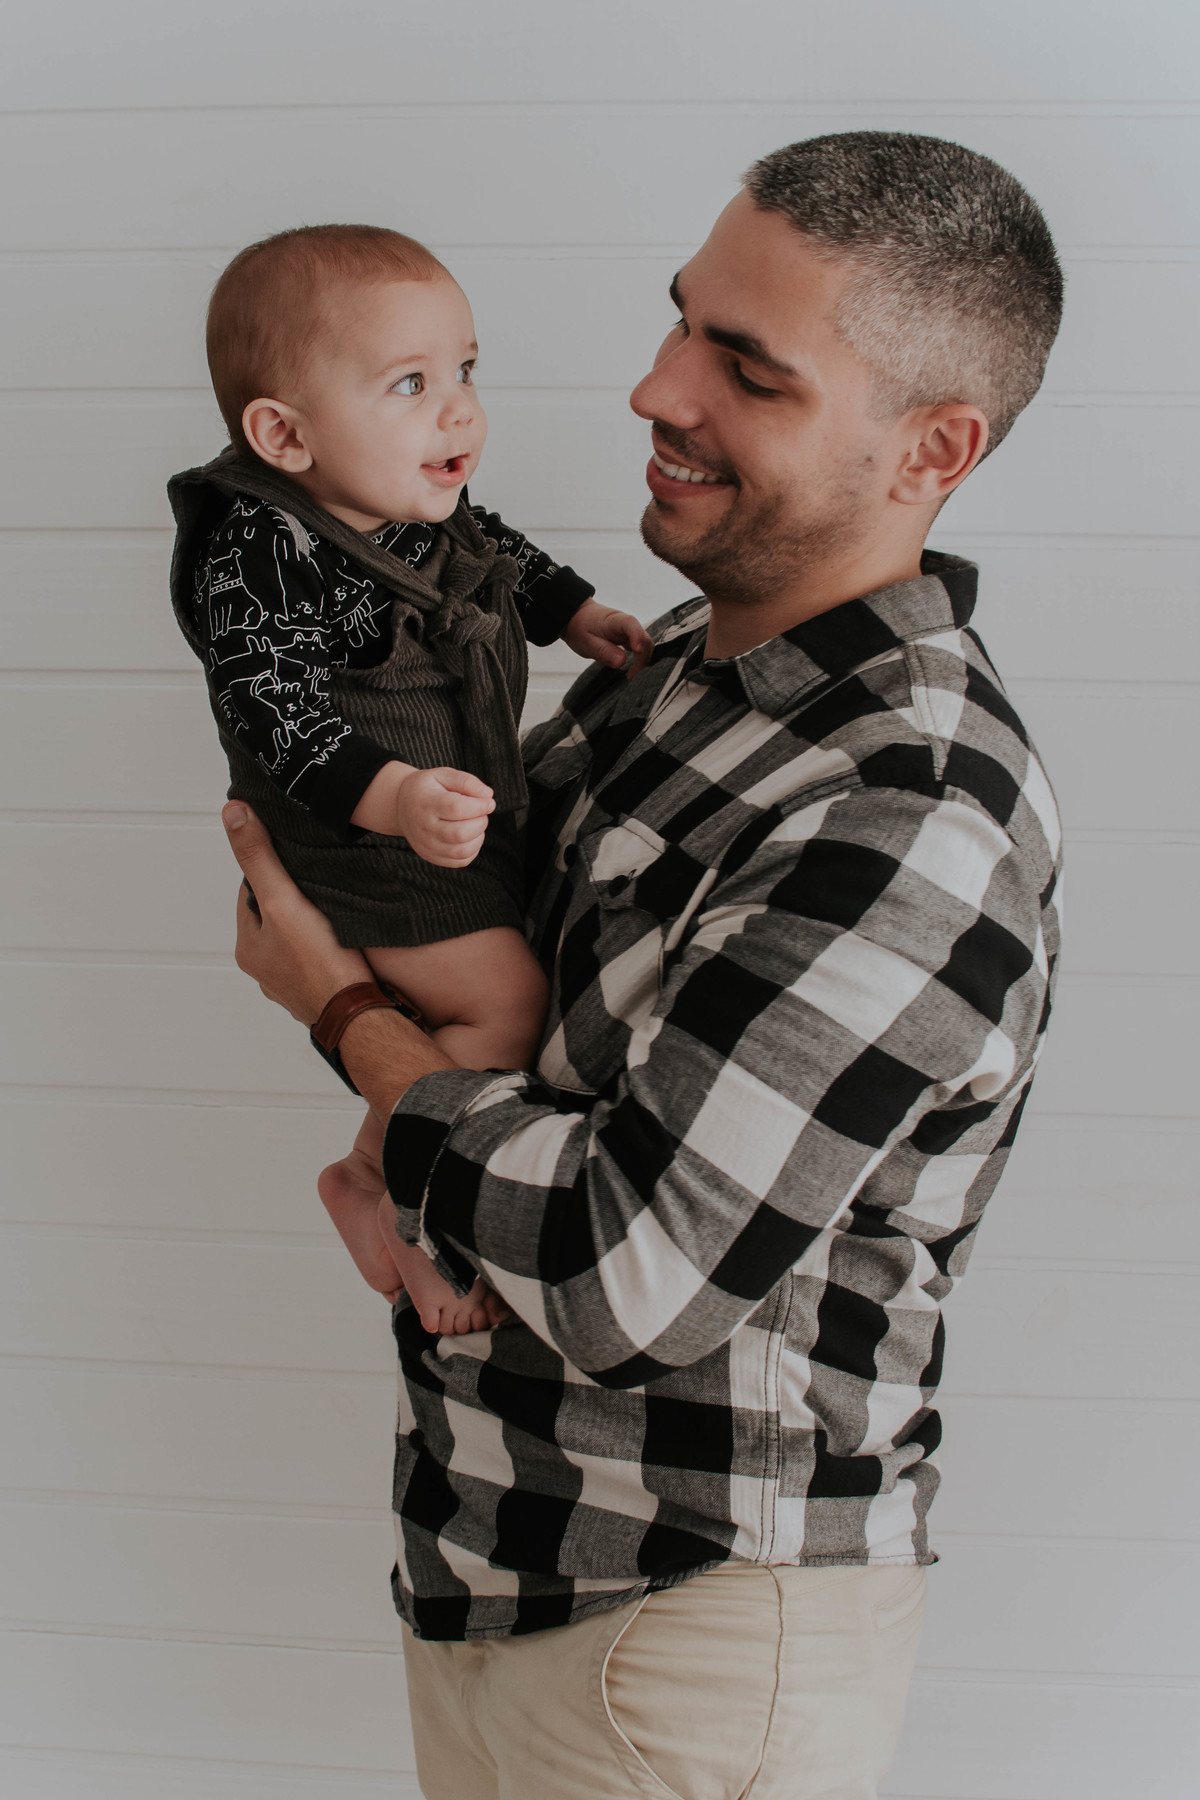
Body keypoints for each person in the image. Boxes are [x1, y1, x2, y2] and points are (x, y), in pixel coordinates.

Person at [222, 132, 1064, 1799]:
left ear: (934, 447)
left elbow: (629, 1274)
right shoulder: (671, 668)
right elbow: (471, 960)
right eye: (682, 320)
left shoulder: (907, 814)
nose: (655, 389)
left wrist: (344, 1013)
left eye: (746, 368)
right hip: (503, 1562)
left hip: (686, 1626)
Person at [166, 225, 651, 1333]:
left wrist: (574, 611)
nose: (459, 410)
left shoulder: (408, 499)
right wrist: (394, 799)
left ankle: (377, 1177)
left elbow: (496, 550)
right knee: (507, 1004)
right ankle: (387, 1195)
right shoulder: (261, 548)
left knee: (499, 987)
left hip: (440, 808)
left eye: (466, 370)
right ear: (284, 434)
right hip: (353, 832)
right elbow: (268, 708)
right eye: (411, 384)